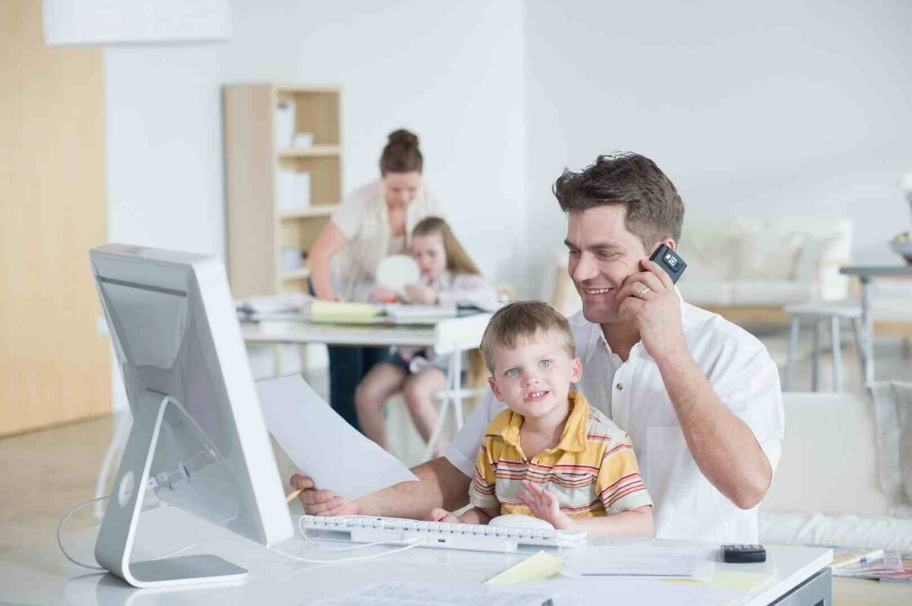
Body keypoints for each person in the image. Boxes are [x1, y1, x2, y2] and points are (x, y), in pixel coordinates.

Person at [292, 153, 784, 545]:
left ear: (663, 257)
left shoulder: (733, 354)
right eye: (574, 250)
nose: (581, 271)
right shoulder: (547, 351)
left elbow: (746, 487)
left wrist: (670, 351)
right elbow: (458, 472)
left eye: (605, 253)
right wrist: (356, 500)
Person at [427, 301, 653, 536]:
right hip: (514, 564)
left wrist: (569, 526)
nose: (531, 378)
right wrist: (459, 523)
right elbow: (488, 514)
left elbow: (642, 524)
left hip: (582, 566)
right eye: (513, 371)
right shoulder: (496, 439)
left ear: (573, 370)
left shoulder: (605, 443)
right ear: (497, 390)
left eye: (545, 363)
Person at [307, 129, 442, 431]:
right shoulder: (359, 203)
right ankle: (344, 460)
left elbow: (440, 249)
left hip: (381, 295)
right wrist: (330, 303)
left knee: (375, 379)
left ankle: (375, 460)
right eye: (396, 189)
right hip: (339, 289)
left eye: (411, 188)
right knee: (348, 377)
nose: (405, 197)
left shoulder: (428, 198)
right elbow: (319, 255)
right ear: (383, 179)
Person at [355, 217, 498, 452]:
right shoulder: (409, 281)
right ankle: (384, 460)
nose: (424, 261)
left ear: (448, 250)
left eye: (432, 253)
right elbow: (379, 300)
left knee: (415, 391)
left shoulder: (464, 281)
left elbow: (488, 299)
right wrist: (385, 298)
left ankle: (442, 458)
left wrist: (436, 298)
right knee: (366, 394)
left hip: (445, 362)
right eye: (418, 255)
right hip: (407, 357)